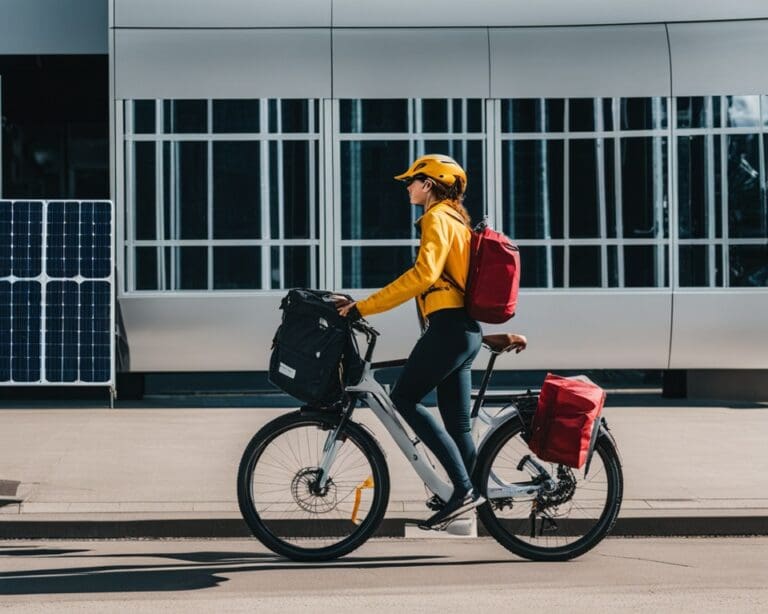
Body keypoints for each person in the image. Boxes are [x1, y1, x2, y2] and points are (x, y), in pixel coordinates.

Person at [337, 153, 526, 529]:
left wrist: (362, 308)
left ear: (430, 184)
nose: (408, 186)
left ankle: (463, 491)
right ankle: (472, 495)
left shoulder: (437, 219)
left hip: (450, 330)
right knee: (458, 427)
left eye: (412, 180)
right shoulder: (456, 221)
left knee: (404, 397)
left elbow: (423, 275)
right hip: (462, 331)